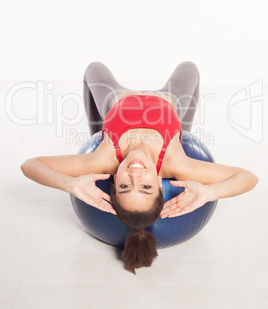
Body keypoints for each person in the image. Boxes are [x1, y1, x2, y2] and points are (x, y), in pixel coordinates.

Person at [21, 61, 258, 274]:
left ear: (113, 181)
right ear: (160, 185)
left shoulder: (102, 159)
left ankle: (96, 132)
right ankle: (183, 133)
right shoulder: (176, 163)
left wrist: (70, 184)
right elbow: (248, 177)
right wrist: (209, 192)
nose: (135, 174)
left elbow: (30, 165)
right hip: (169, 99)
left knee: (93, 69)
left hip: (118, 97)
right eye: (145, 186)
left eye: (125, 186)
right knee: (190, 68)